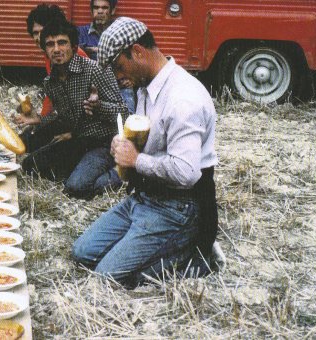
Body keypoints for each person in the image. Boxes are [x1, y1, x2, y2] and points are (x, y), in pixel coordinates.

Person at [72, 17, 218, 288]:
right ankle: (157, 245)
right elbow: (149, 143)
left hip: (179, 205)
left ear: (137, 51)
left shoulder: (183, 98)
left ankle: (196, 254)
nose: (117, 76)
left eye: (118, 67)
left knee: (109, 278)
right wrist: (124, 144)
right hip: (145, 197)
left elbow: (186, 173)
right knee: (82, 253)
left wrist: (136, 160)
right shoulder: (145, 86)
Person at [21, 19, 125, 198]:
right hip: (78, 141)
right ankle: (77, 169)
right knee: (29, 166)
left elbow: (123, 113)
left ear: (74, 46)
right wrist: (38, 119)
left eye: (62, 42)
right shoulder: (50, 83)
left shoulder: (96, 70)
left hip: (104, 143)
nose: (56, 49)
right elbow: (63, 118)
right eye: (50, 44)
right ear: (44, 50)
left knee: (76, 188)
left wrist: (99, 106)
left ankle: (120, 173)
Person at [14, 4, 91, 153]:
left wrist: (71, 133)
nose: (38, 38)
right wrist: (40, 121)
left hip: (80, 126)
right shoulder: (49, 56)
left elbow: (82, 105)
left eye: (41, 32)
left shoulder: (74, 56)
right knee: (25, 140)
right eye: (34, 33)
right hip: (64, 119)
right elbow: (52, 96)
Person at [77, 0, 135, 113]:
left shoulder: (122, 33)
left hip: (119, 87)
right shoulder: (80, 33)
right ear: (91, 10)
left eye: (104, 8)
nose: (99, 11)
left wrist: (132, 79)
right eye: (96, 8)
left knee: (128, 122)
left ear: (112, 10)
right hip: (90, 90)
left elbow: (134, 58)